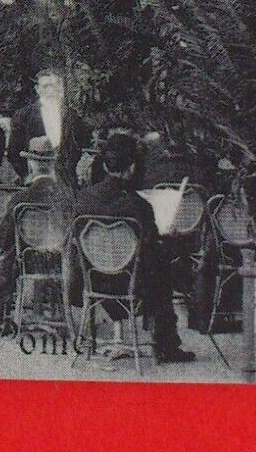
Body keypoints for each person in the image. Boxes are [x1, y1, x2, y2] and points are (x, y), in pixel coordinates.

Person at [70, 131, 196, 363]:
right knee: (163, 269)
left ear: (106, 166)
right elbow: (150, 251)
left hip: (93, 281)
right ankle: (166, 345)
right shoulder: (139, 206)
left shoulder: (83, 199)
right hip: (130, 285)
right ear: (132, 168)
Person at [0, 136, 76, 332]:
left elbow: (2, 239)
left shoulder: (21, 199)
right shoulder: (67, 196)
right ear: (52, 164)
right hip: (61, 261)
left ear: (31, 163)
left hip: (27, 263)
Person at [6, 67, 93, 189]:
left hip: (68, 181)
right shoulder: (23, 116)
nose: (51, 90)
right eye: (46, 86)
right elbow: (13, 152)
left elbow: (84, 146)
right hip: (35, 180)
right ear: (37, 89)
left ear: (61, 88)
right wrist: (28, 176)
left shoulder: (72, 116)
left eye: (54, 85)